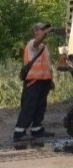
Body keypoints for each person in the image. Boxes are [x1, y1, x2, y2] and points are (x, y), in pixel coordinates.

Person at [14, 22, 56, 150]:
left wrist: (50, 80)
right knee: (28, 107)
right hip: (33, 82)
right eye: (39, 30)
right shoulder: (32, 44)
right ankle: (19, 133)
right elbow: (37, 42)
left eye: (43, 29)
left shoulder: (44, 46)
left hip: (44, 82)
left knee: (40, 107)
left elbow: (47, 65)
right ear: (35, 31)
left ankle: (37, 130)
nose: (41, 31)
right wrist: (46, 34)